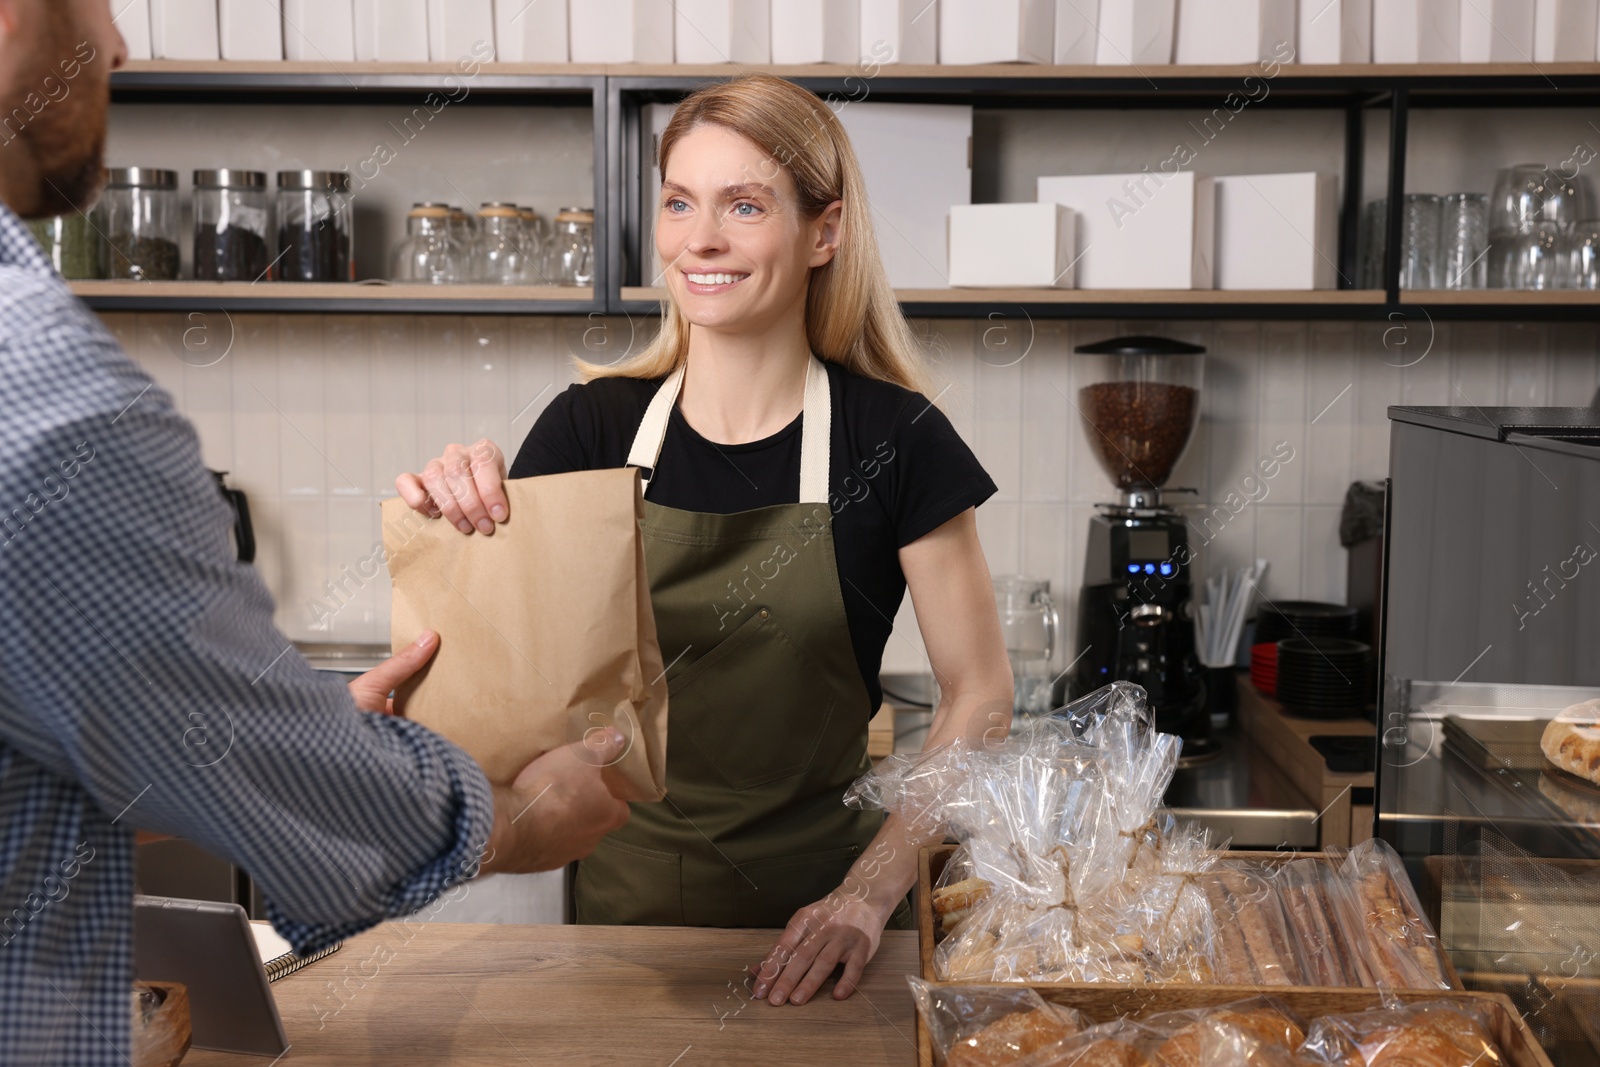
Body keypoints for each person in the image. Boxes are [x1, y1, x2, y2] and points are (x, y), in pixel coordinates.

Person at [0, 3, 629, 1062]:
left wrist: (303, 726)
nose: (117, 46)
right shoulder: (51, 398)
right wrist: (516, 816)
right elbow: (243, 758)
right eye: (98, 4)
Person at [397, 74, 1014, 1008]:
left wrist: (870, 889)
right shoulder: (588, 433)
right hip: (624, 928)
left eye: (745, 204)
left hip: (836, 940)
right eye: (680, 202)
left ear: (825, 230)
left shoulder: (895, 442)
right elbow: (506, 699)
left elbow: (982, 691)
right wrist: (456, 526)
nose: (702, 239)